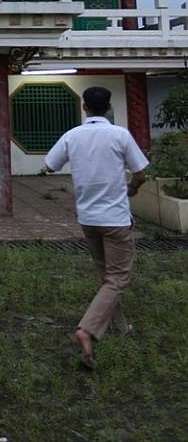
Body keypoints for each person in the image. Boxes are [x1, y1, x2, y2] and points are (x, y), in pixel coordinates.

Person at [43, 85, 149, 368]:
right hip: (115, 219)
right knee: (117, 279)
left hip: (87, 218)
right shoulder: (120, 135)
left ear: (84, 107)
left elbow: (50, 165)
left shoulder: (72, 136)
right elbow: (141, 174)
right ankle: (87, 330)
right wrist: (132, 188)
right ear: (109, 107)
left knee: (107, 276)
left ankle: (120, 326)